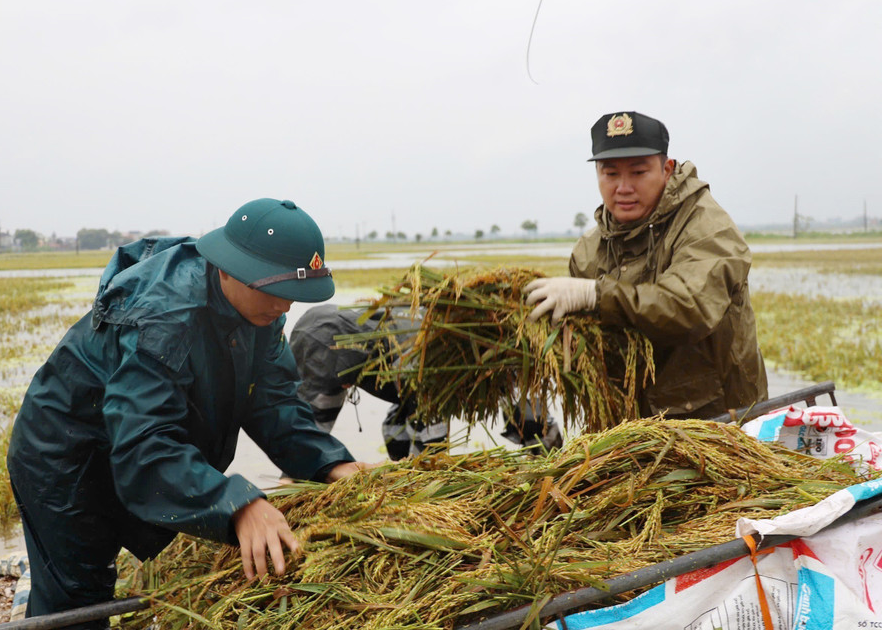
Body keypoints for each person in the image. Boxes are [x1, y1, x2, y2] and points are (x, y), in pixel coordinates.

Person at [6, 198, 367, 625]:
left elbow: (275, 403)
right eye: (277, 292)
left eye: (294, 295)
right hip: (67, 454)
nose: (285, 307)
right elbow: (144, 444)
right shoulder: (166, 317)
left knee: (92, 588)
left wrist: (331, 463)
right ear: (231, 268)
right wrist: (236, 504)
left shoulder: (260, 309)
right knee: (77, 600)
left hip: (131, 443)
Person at [525, 111, 767, 419]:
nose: (623, 187)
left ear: (666, 170)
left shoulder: (707, 227)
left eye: (638, 172)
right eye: (610, 174)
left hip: (716, 422)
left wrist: (596, 296)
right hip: (625, 432)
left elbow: (687, 307)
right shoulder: (589, 250)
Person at [290, 304, 563, 458]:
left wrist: (421, 488)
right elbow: (311, 430)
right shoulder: (322, 342)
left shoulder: (412, 360)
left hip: (473, 358)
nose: (342, 390)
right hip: (404, 367)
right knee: (398, 432)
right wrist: (295, 474)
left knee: (525, 416)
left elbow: (432, 447)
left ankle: (553, 463)